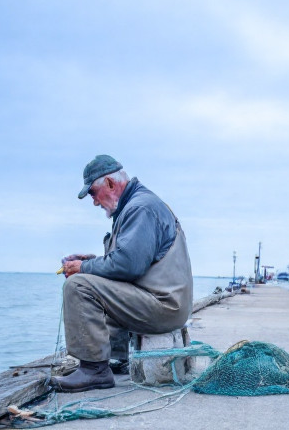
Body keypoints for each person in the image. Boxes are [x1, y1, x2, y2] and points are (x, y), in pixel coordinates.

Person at [51, 155, 193, 393]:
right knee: (91, 280)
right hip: (164, 303)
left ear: (109, 183)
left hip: (164, 306)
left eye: (93, 193)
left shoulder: (140, 208)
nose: (94, 202)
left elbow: (129, 266)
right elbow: (133, 262)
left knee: (78, 286)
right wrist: (92, 262)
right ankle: (115, 358)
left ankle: (94, 370)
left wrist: (82, 268)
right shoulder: (137, 205)